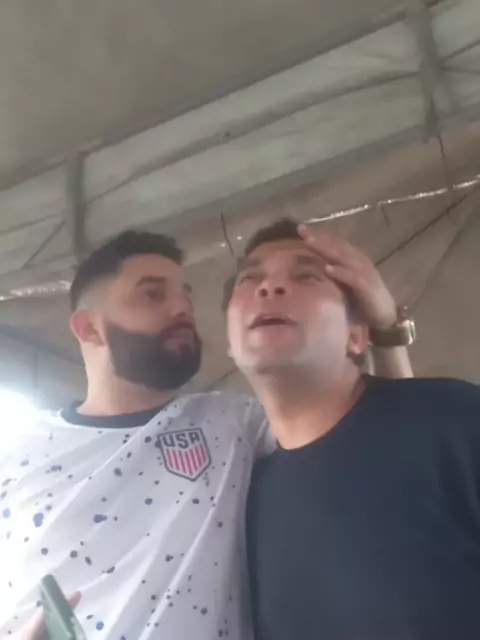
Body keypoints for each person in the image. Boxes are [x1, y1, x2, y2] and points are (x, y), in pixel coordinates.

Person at [0, 228, 411, 639]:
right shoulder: (15, 450)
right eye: (153, 295)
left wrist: (387, 329)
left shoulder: (232, 423)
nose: (181, 308)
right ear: (89, 328)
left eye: (187, 296)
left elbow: (386, 434)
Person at [226, 218, 480, 640]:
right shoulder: (241, 505)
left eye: (306, 276)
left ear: (357, 336)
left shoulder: (455, 420)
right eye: (250, 279)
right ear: (230, 345)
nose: (269, 287)